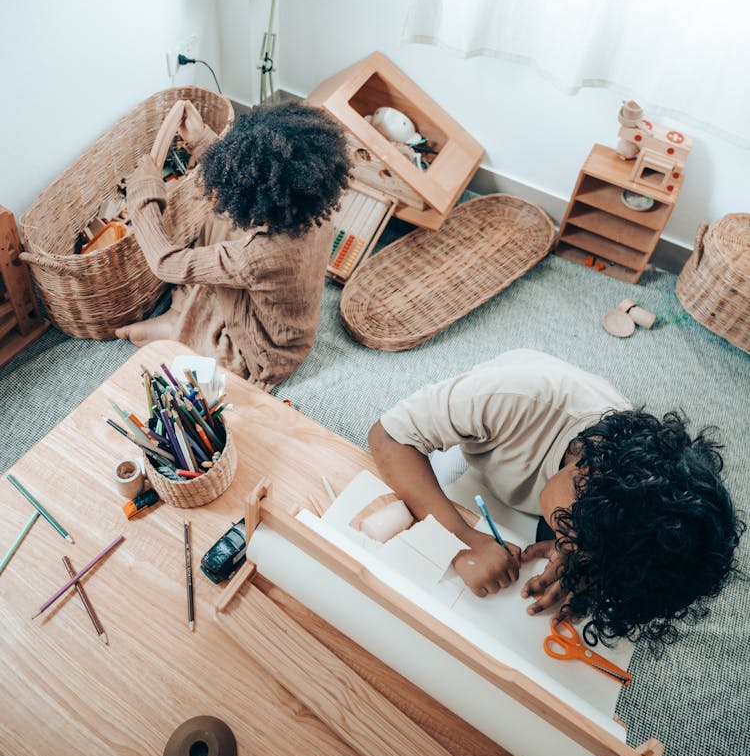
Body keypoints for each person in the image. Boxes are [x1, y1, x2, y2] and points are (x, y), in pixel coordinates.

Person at [368, 349, 744, 648]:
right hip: (505, 426)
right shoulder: (514, 396)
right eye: (569, 535)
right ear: (585, 473)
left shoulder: (613, 476)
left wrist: (580, 562)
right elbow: (388, 436)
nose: (569, 551)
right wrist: (461, 538)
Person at [116, 99, 351, 389]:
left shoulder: (256, 257)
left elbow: (166, 263)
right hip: (286, 319)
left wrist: (143, 195)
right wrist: (203, 141)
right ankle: (180, 314)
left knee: (212, 247)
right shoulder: (311, 206)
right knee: (219, 221)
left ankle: (182, 326)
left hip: (265, 352)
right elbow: (252, 174)